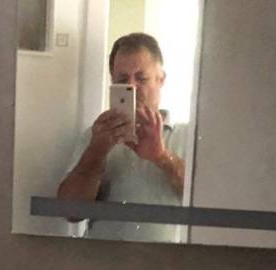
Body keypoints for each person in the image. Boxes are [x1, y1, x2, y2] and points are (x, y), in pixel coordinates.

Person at [58, 33, 188, 242]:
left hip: (167, 260)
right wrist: (97, 151)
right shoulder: (97, 136)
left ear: (161, 79)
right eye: (122, 79)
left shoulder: (187, 136)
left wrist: (161, 157)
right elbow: (69, 211)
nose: (132, 87)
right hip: (101, 259)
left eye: (141, 78)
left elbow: (208, 199)